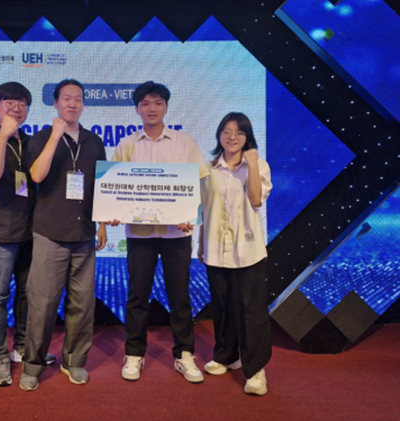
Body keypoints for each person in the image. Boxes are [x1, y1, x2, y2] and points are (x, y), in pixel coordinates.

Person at [111, 81, 207, 383]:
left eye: (157, 103)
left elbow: (199, 183)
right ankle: (134, 353)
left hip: (177, 235)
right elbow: (113, 186)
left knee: (180, 297)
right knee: (137, 296)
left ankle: (184, 355)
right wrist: (112, 211)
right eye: (145, 103)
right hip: (139, 234)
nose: (151, 108)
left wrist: (190, 214)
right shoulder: (127, 144)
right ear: (137, 109)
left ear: (166, 106)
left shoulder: (184, 142)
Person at [19, 79, 107, 391]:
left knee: (82, 304)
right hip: (50, 233)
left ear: (84, 104)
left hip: (84, 235)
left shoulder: (94, 141)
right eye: (66, 98)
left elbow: (102, 186)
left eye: (78, 99)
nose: (72, 104)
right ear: (55, 103)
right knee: (42, 304)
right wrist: (56, 136)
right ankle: (33, 364)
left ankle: (74, 361)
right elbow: (36, 175)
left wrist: (102, 224)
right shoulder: (42, 138)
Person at [0, 82, 56, 388]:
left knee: (26, 293)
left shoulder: (28, 142)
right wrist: (3, 136)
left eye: (22, 103)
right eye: (9, 102)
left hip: (28, 231)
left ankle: (21, 346)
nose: (17, 109)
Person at [198, 112, 272, 396]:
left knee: (251, 311)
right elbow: (204, 210)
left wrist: (251, 164)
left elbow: (255, 199)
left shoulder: (259, 165)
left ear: (247, 137)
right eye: (227, 131)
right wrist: (200, 244)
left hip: (247, 251)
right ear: (219, 134)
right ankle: (226, 356)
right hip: (216, 249)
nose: (232, 137)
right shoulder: (208, 169)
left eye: (239, 132)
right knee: (222, 306)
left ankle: (255, 370)